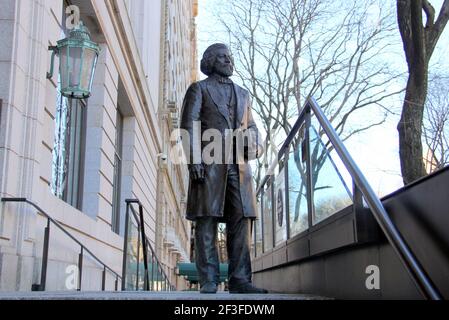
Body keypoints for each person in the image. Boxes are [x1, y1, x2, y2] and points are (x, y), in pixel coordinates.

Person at [180, 43, 267, 294]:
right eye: (222, 57)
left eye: (230, 57)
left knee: (241, 218)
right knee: (207, 219)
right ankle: (208, 278)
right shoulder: (199, 89)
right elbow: (189, 126)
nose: (229, 61)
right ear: (210, 61)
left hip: (238, 166)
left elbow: (252, 127)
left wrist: (252, 143)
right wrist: (194, 160)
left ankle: (240, 278)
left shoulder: (243, 94)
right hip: (209, 163)